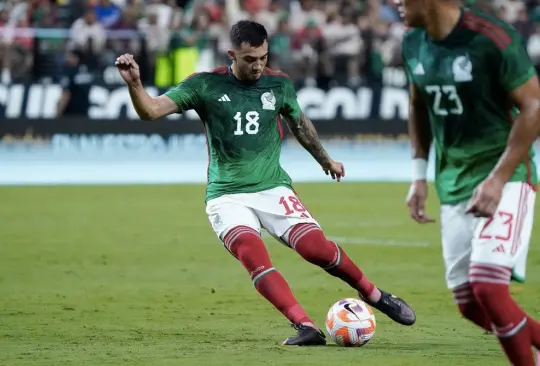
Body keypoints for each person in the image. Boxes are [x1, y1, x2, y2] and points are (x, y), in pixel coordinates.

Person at [116, 20, 416, 346]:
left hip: (273, 187)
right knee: (253, 255)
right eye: (249, 59)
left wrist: (325, 159)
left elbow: (299, 123)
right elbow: (151, 111)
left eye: (263, 57)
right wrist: (135, 85)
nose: (258, 65)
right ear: (231, 54)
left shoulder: (279, 84)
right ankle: (305, 326)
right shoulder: (204, 85)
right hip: (226, 195)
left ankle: (374, 294)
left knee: (317, 249)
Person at [400, 0, 540, 364]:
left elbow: (534, 105)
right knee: (469, 304)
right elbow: (417, 105)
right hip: (453, 183)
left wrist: (498, 179)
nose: (395, 2)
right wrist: (419, 176)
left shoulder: (492, 39)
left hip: (505, 178)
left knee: (489, 289)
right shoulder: (413, 42)